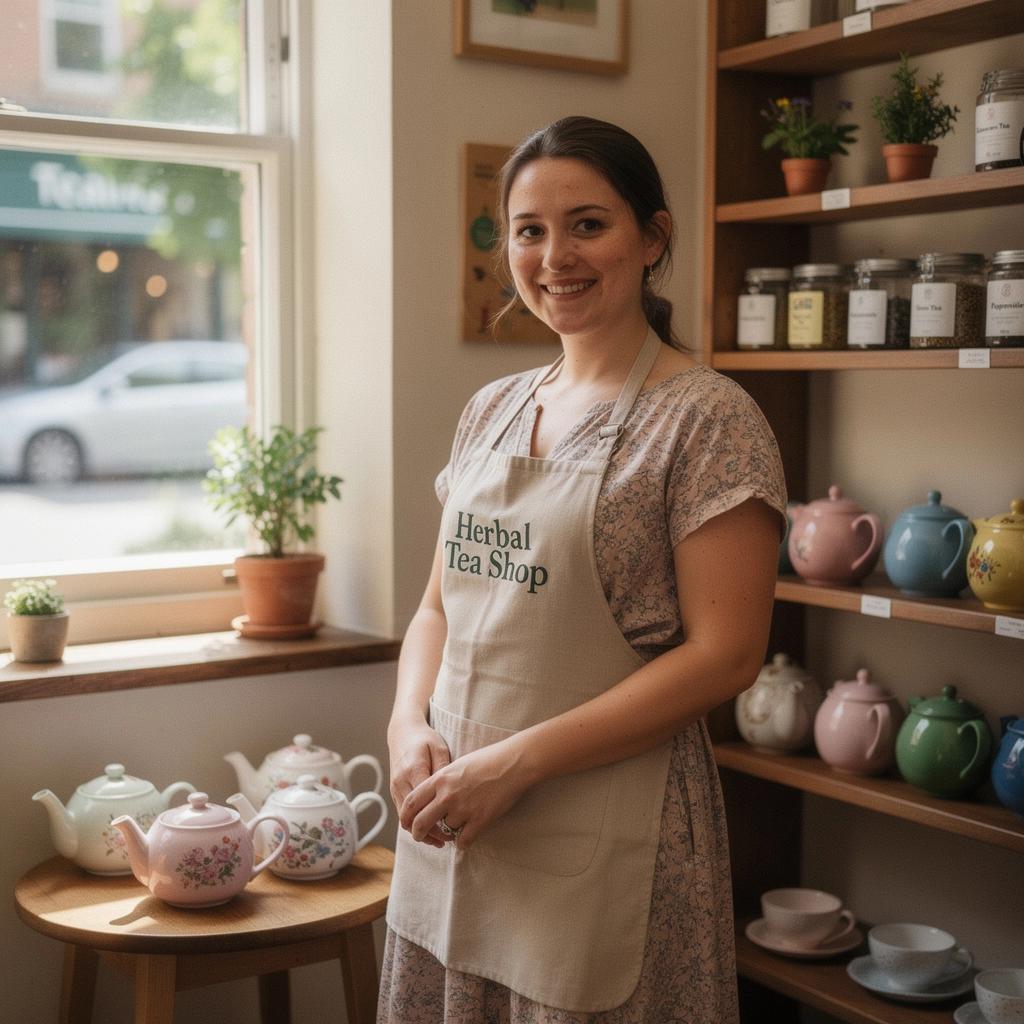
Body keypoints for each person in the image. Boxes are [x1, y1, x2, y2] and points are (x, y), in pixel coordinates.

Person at [379, 115, 786, 1023]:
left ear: (653, 237)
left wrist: (515, 765)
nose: (554, 255)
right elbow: (437, 612)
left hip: (608, 833)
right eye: (529, 230)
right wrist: (408, 723)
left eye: (588, 224)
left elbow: (725, 658)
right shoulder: (489, 409)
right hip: (458, 826)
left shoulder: (707, 419)